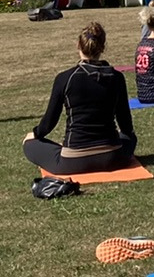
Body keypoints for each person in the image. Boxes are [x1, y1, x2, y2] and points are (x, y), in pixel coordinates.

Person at [24, 22, 136, 175]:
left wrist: (35, 134)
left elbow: (49, 122)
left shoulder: (66, 78)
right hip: (113, 157)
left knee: (29, 144)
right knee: (129, 137)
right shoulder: (116, 77)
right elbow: (126, 125)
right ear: (102, 47)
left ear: (78, 45)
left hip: (74, 160)